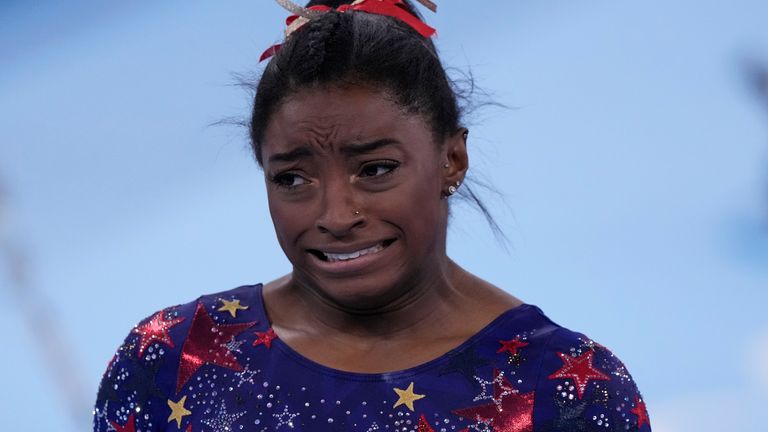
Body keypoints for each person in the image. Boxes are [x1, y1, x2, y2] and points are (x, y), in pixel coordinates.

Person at [93, 1, 652, 431]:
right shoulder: (174, 356)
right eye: (293, 179)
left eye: (376, 169)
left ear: (451, 158)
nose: (336, 214)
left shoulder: (564, 387)